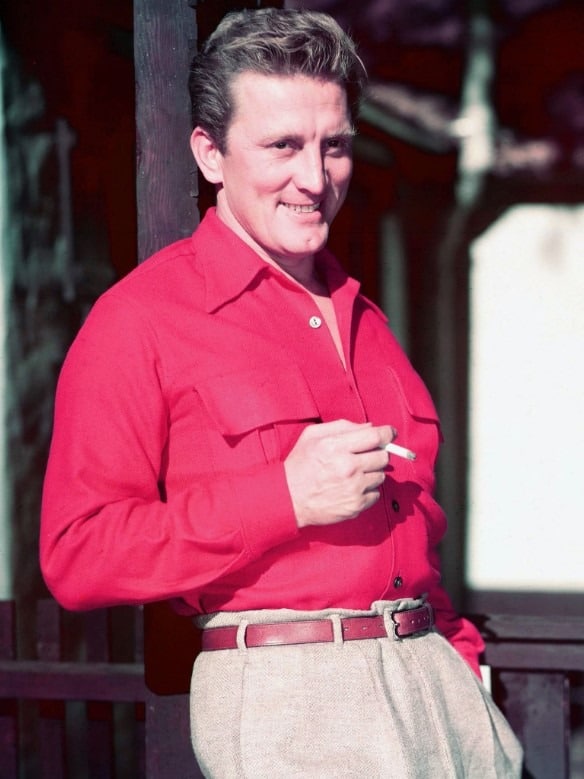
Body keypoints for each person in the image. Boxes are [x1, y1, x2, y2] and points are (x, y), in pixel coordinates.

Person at [41, 8, 523, 777]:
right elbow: (78, 555)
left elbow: (416, 532)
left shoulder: (369, 321)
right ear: (210, 154)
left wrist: (463, 666)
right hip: (294, 699)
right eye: (282, 146)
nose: (315, 178)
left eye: (334, 145)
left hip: (437, 683)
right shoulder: (141, 319)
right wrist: (285, 497)